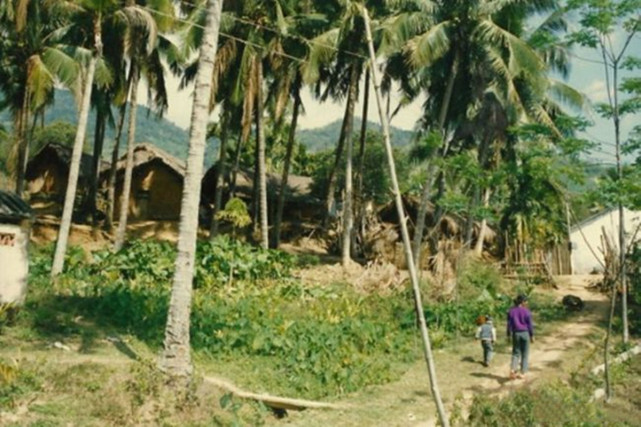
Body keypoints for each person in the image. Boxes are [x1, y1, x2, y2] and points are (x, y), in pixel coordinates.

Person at [507, 294, 534, 379]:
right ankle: (523, 372)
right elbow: (530, 325)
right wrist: (531, 335)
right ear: (522, 302)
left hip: (516, 333)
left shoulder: (511, 311)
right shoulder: (526, 311)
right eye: (526, 301)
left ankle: (513, 369)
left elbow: (509, 325)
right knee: (525, 354)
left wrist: (508, 334)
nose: (527, 302)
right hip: (525, 333)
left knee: (516, 353)